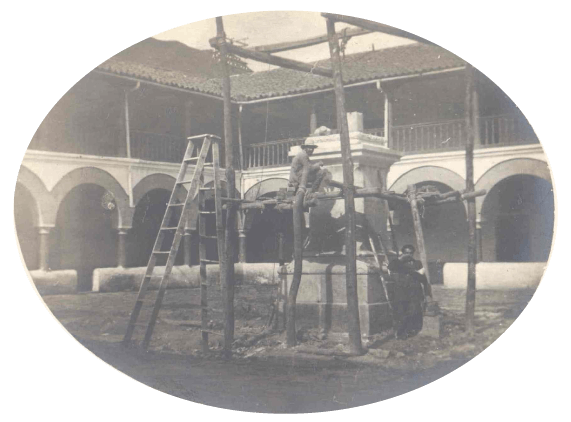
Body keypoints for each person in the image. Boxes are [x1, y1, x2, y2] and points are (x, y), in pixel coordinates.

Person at [388, 244, 432, 340]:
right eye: (406, 253)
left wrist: (427, 293)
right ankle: (399, 333)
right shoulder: (397, 263)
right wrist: (401, 259)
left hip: (414, 292)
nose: (408, 255)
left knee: (412, 312)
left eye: (410, 253)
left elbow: (423, 279)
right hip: (401, 292)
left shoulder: (418, 263)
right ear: (402, 253)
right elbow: (390, 266)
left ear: (413, 254)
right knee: (401, 313)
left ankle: (407, 332)